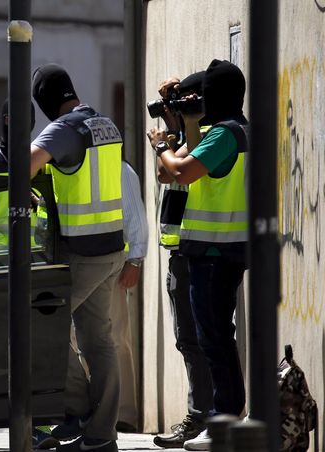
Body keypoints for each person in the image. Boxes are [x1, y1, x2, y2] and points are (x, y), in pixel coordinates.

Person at [29, 64, 125, 452]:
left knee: (41, 326)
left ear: (44, 102)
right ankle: (101, 434)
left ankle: (79, 413)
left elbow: (26, 165)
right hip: (111, 250)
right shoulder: (105, 124)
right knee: (98, 340)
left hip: (82, 254)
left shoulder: (63, 129)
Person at [154, 59, 249, 451]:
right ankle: (222, 420)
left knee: (215, 340)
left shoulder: (225, 134)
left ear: (215, 98)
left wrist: (162, 145)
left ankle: (224, 421)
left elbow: (180, 172)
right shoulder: (239, 131)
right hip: (225, 249)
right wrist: (186, 127)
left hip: (213, 251)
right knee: (216, 339)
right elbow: (195, 163)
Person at [149, 72, 215, 449]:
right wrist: (170, 128)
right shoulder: (185, 138)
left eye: (184, 102)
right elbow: (165, 176)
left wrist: (165, 143)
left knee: (200, 339)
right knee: (189, 340)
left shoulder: (205, 140)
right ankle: (203, 415)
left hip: (197, 248)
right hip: (182, 248)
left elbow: (176, 170)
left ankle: (206, 417)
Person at [112, 158, 148, 433]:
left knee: (116, 337)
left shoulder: (120, 168)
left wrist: (135, 260)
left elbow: (135, 214)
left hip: (113, 264)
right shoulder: (65, 163)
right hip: (72, 261)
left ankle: (123, 415)